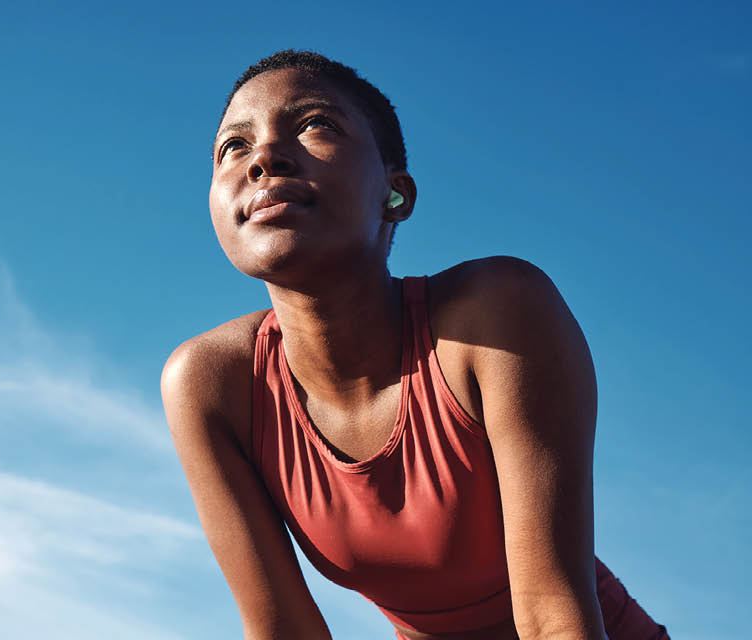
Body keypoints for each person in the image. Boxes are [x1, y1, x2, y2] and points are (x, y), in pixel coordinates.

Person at [160, 50, 668, 640]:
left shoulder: (495, 314)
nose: (264, 157)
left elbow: (555, 617)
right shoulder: (211, 385)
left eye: (314, 124)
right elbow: (281, 630)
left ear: (395, 194)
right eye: (233, 147)